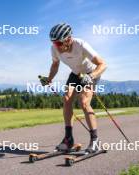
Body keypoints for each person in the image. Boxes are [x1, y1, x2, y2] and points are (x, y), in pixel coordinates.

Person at [42, 23, 107, 153]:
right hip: (75, 74)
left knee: (83, 102)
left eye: (59, 43)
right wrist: (49, 79)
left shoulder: (81, 44)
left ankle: (95, 140)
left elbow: (102, 64)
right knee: (67, 99)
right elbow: (55, 65)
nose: (57, 47)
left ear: (69, 39)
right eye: (54, 43)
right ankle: (68, 139)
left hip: (90, 73)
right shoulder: (54, 49)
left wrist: (92, 76)